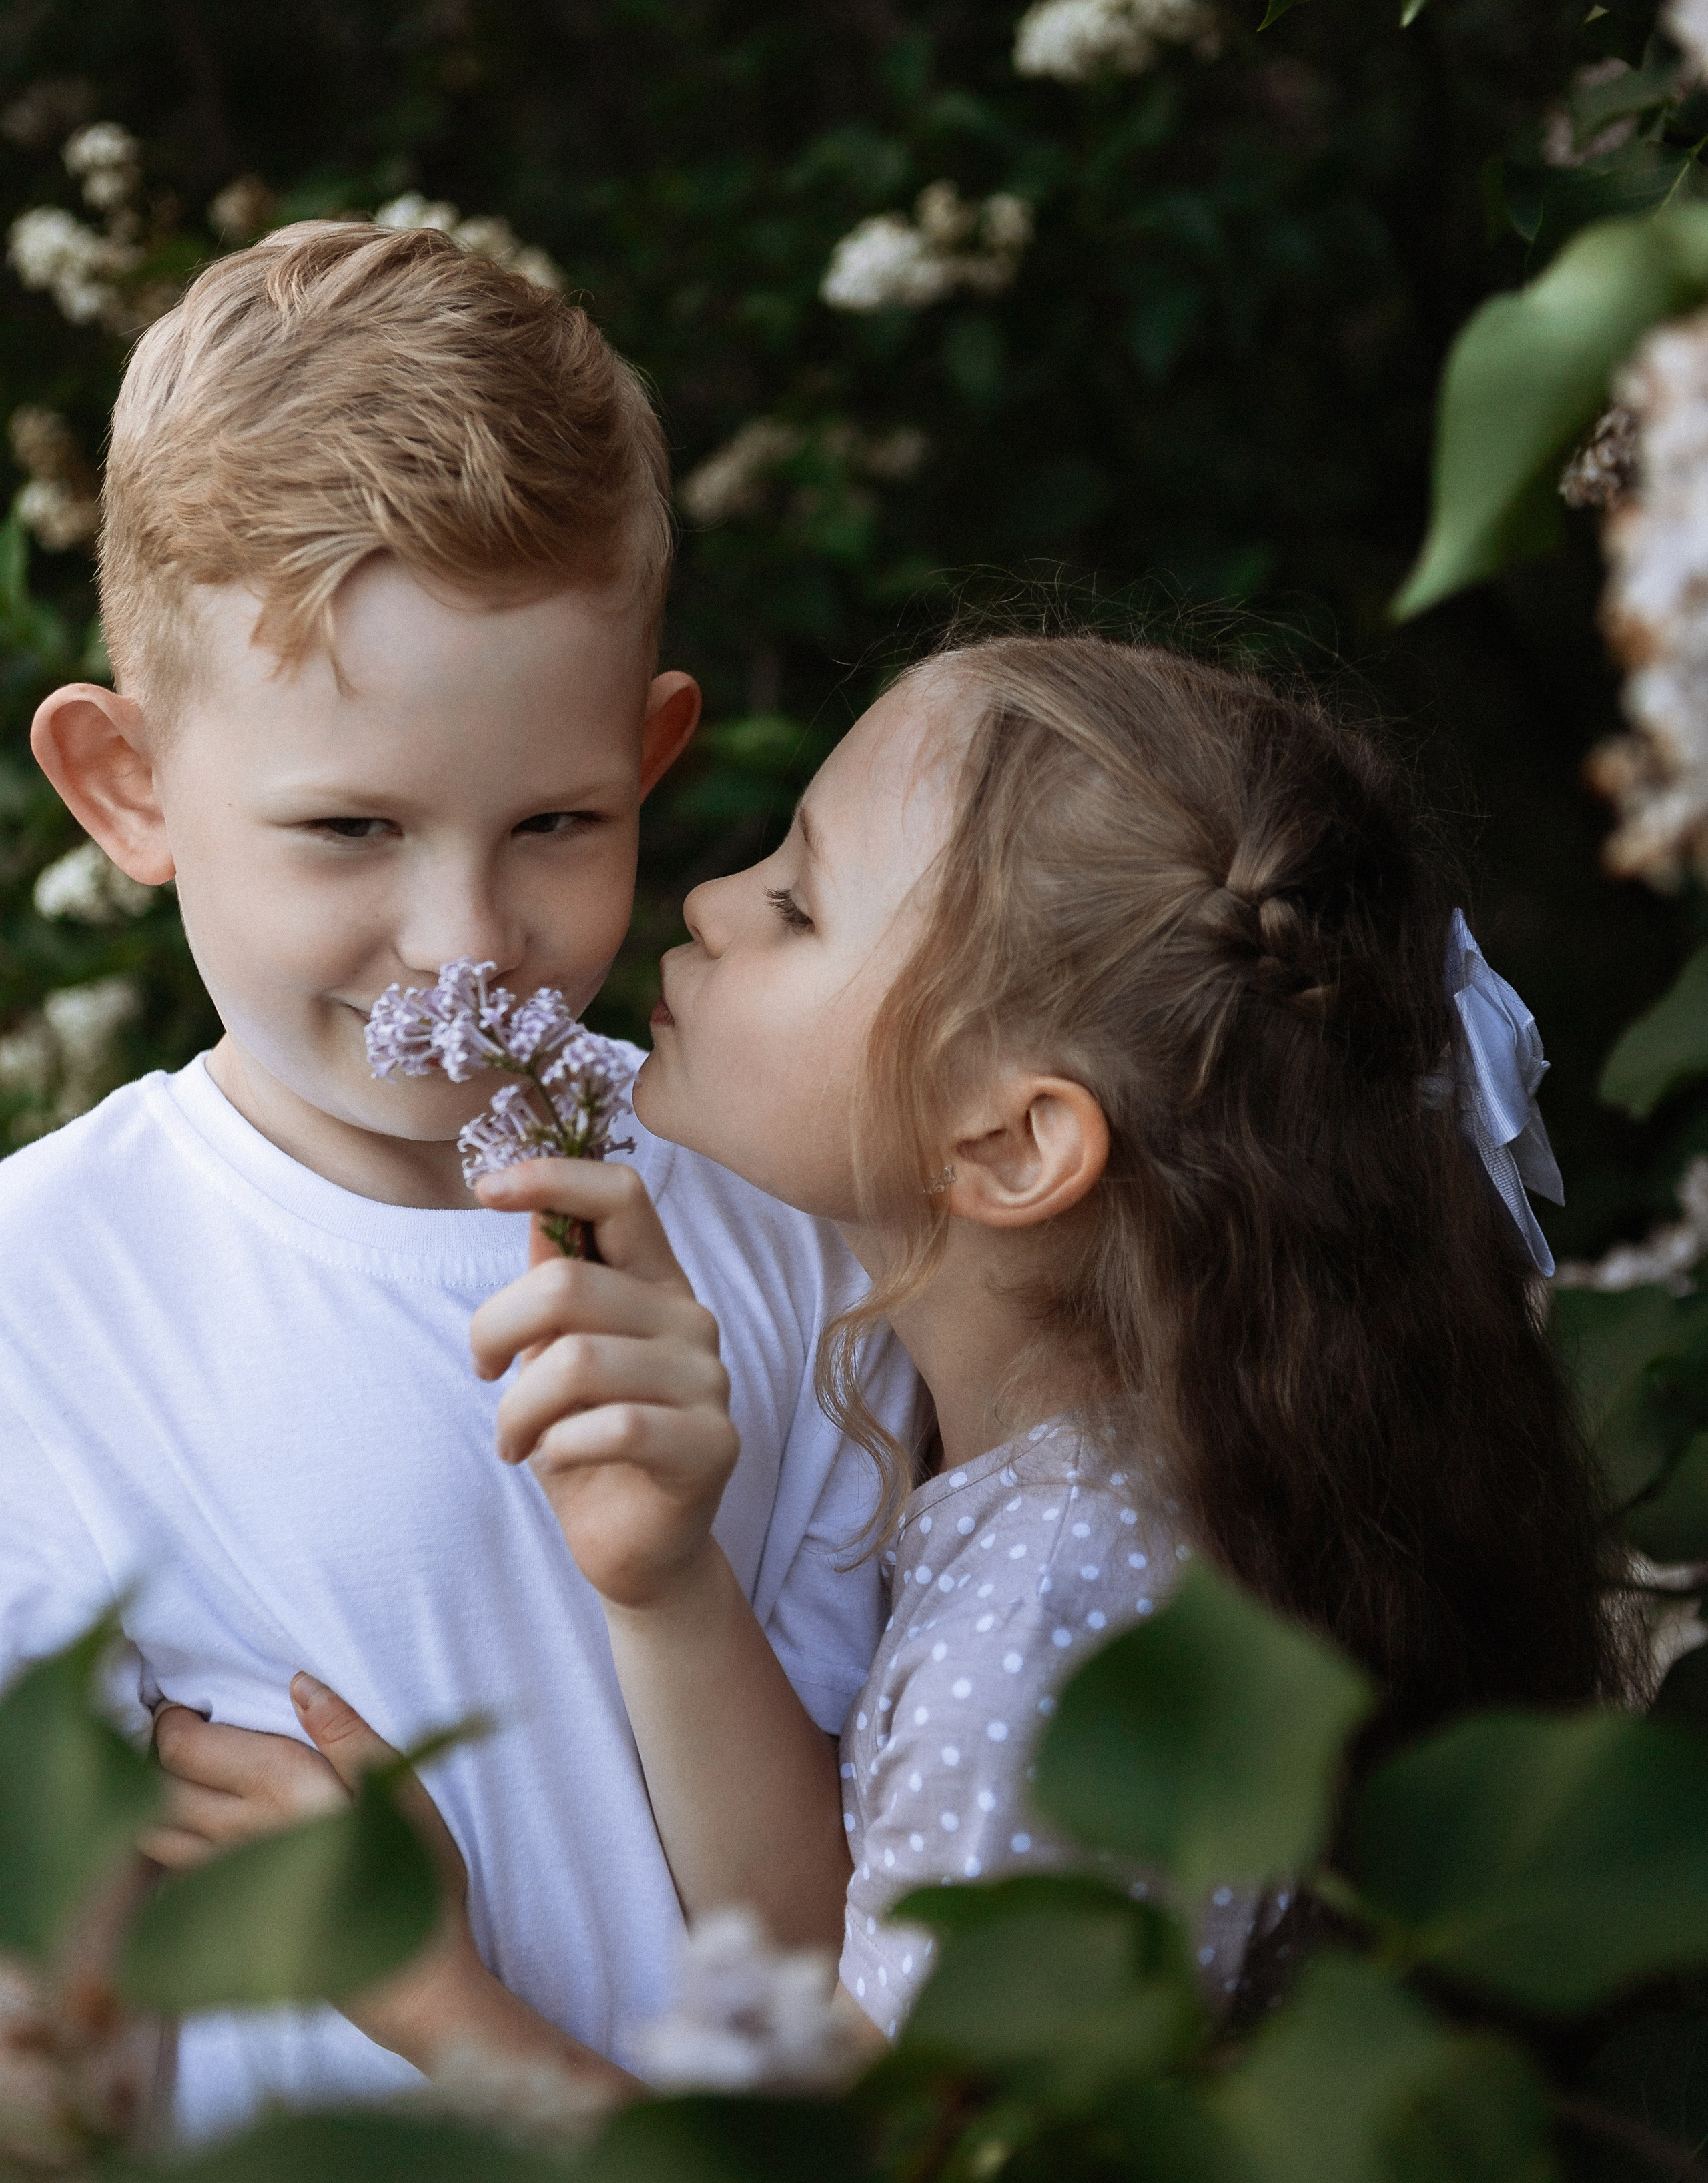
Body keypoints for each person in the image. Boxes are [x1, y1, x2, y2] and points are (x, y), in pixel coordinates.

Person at [155, 632, 1625, 2072]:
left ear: (1008, 1142)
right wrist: (666, 1579)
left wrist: (423, 1990)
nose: (710, 900)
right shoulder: (1107, 1475)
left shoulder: (1049, 1620)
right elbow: (839, 1959)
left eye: (798, 906)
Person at [0, 218, 917, 2138]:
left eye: (556, 821)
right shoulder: (50, 1299)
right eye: (351, 829)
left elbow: (849, 2000)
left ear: (649, 761)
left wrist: (672, 1582)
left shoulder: (784, 1235)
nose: (465, 942)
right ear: (128, 789)